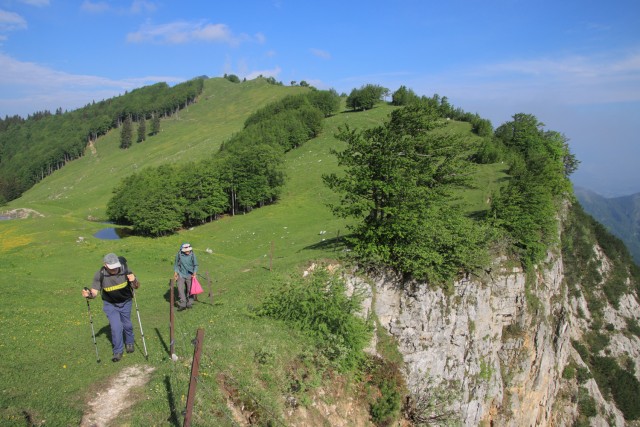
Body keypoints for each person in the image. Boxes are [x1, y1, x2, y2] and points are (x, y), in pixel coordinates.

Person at [82, 253, 140, 362]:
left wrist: (134, 280)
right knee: (116, 327)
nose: (115, 270)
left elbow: (136, 286)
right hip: (110, 304)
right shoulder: (99, 275)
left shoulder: (125, 269)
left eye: (116, 267)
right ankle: (117, 351)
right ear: (105, 265)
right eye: (112, 268)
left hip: (126, 301)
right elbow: (94, 293)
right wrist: (88, 295)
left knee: (127, 324)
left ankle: (129, 343)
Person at [173, 243, 198, 311]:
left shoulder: (193, 255)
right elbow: (176, 265)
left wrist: (194, 273)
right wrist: (175, 273)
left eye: (189, 250)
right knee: (180, 288)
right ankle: (183, 304)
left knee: (190, 289)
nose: (188, 251)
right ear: (182, 250)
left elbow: (195, 265)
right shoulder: (179, 255)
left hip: (190, 274)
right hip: (181, 274)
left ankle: (189, 303)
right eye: (186, 250)